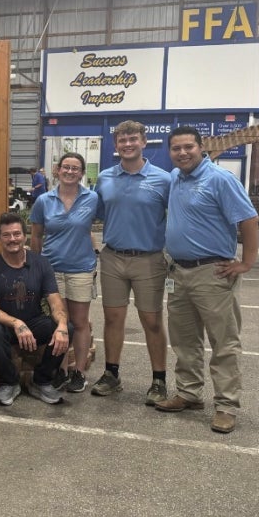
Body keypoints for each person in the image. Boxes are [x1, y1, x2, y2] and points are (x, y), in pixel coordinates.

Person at [156, 126, 259, 434]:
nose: (183, 153)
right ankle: (188, 393)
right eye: (176, 148)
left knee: (224, 342)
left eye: (189, 147)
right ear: (170, 152)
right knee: (184, 339)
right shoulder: (175, 178)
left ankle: (226, 405)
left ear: (201, 148)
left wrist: (247, 263)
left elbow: (249, 219)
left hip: (212, 273)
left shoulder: (220, 179)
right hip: (178, 272)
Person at [90, 121, 171, 404]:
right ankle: (112, 374)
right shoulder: (105, 178)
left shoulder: (164, 179)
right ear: (116, 145)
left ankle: (159, 379)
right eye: (122, 140)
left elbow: (179, 216)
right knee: (113, 318)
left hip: (149, 260)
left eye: (133, 139)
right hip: (112, 258)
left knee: (152, 320)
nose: (127, 144)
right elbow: (94, 214)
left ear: (144, 142)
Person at [0, 212, 71, 406]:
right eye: (6, 235)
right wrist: (17, 323)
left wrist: (62, 325)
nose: (12, 239)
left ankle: (41, 381)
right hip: (5, 325)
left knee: (67, 328)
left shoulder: (41, 263)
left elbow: (55, 302)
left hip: (34, 322)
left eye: (16, 234)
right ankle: (10, 382)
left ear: (25, 235)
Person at [29, 152, 98, 394]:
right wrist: (36, 266)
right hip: (52, 270)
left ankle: (78, 372)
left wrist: (99, 251)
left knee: (79, 323)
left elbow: (96, 227)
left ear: (82, 173)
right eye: (66, 167)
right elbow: (36, 236)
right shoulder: (44, 201)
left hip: (81, 269)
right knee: (60, 323)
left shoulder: (92, 198)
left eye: (75, 168)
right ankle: (58, 370)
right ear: (58, 170)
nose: (70, 172)